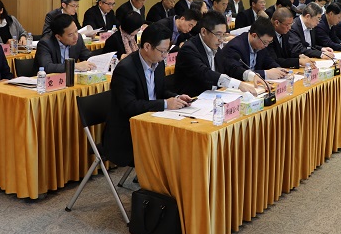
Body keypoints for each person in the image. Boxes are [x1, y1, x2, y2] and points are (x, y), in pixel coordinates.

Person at [102, 23, 191, 167]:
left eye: (167, 51)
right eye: (162, 51)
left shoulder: (158, 63)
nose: (165, 56)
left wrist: (176, 98)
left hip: (151, 122)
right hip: (126, 131)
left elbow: (160, 92)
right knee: (171, 149)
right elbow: (129, 106)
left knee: (182, 140)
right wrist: (165, 104)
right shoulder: (125, 69)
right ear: (147, 46)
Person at [173, 11, 259, 97]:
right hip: (192, 100)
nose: (221, 39)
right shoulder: (188, 49)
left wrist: (251, 75)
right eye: (218, 34)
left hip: (213, 98)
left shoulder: (216, 48)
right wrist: (238, 85)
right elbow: (205, 74)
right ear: (203, 32)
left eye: (223, 35)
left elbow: (229, 67)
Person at [215, 17, 287, 82]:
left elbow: (268, 61)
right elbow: (238, 73)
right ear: (254, 35)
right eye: (265, 42)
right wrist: (266, 74)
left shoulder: (261, 44)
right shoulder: (235, 47)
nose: (266, 45)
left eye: (269, 42)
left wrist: (278, 69)